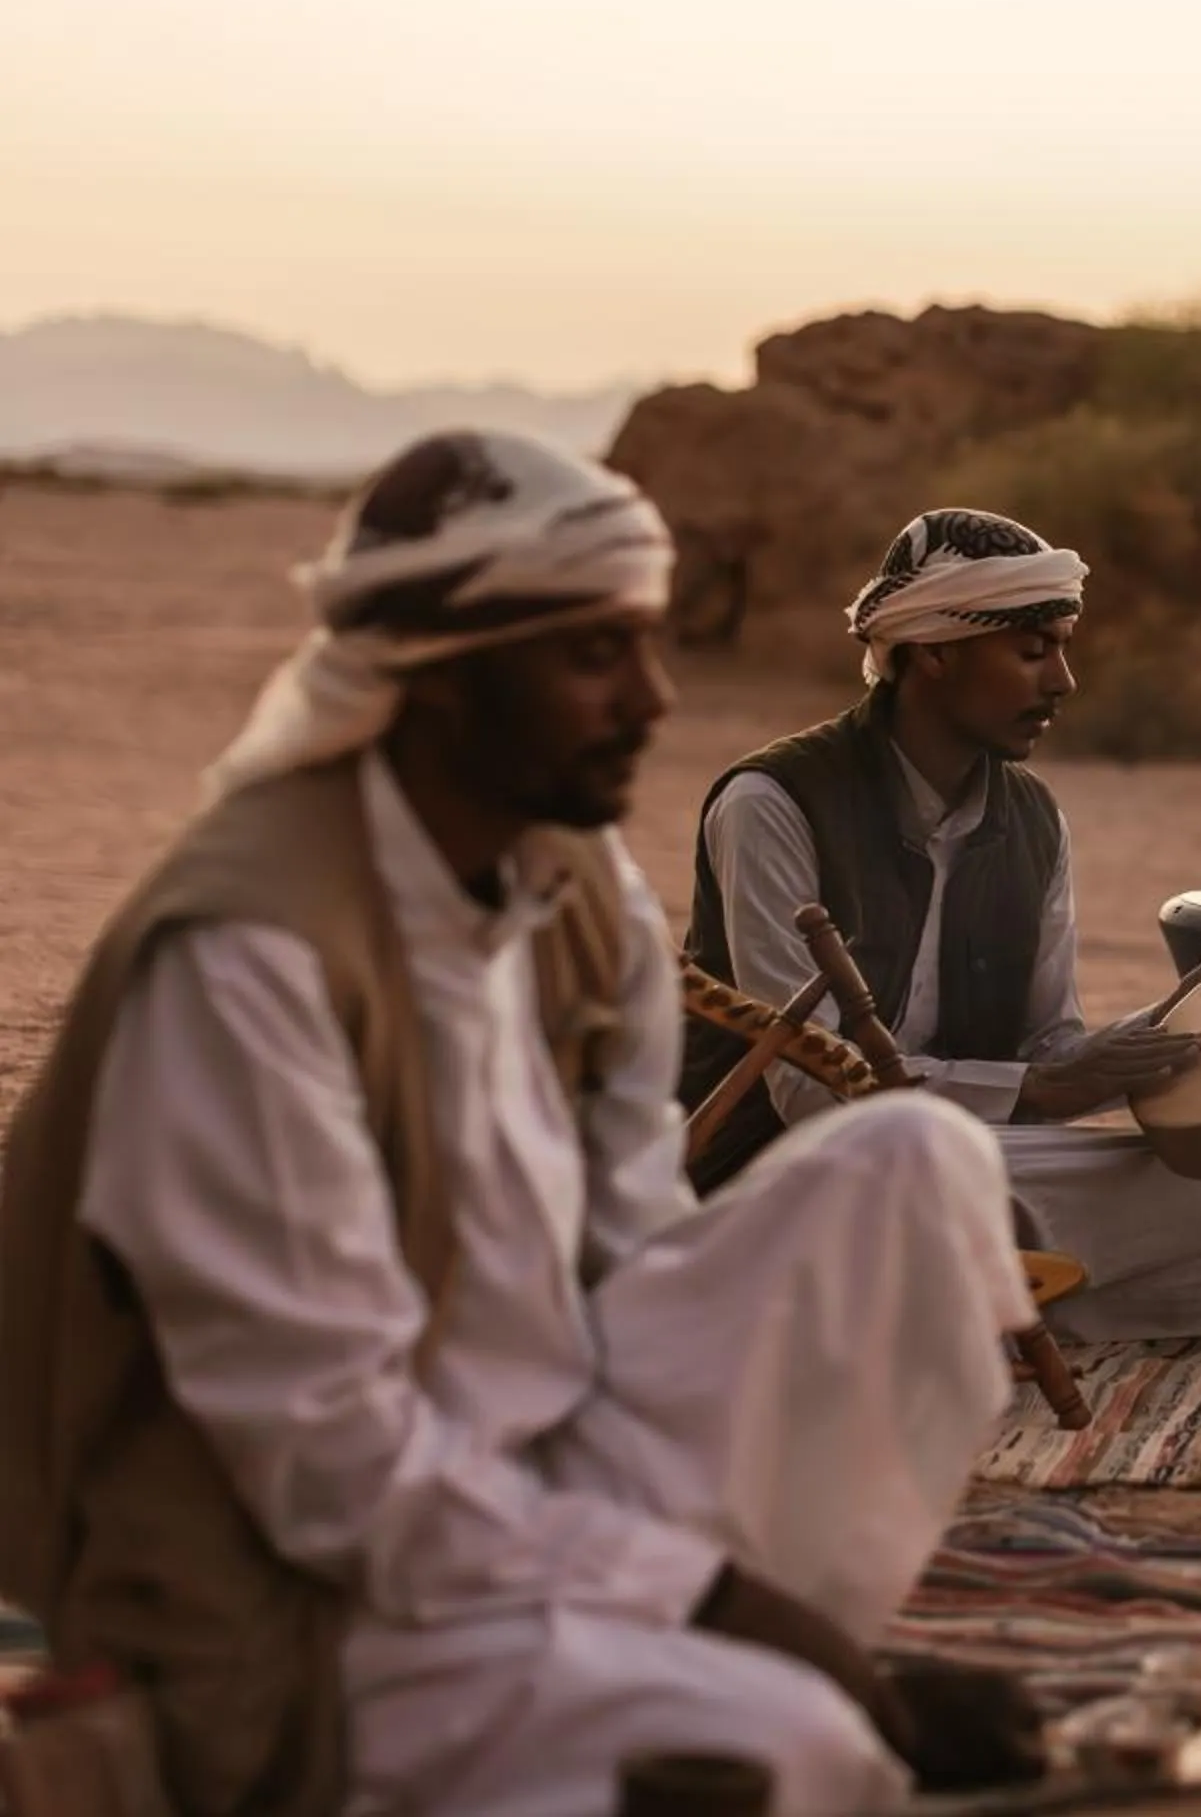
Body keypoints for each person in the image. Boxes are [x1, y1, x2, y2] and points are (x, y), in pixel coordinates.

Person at [0, 432, 1040, 1817]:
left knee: (921, 1162)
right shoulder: (248, 958)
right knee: (795, 1754)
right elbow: (331, 1469)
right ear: (433, 681)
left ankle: (700, 1651)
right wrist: (728, 1606)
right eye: (591, 659)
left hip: (538, 1466)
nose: (653, 702)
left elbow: (634, 1257)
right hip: (303, 1587)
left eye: (648, 648)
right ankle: (713, 1668)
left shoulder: (570, 883)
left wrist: (678, 1575)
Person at [681, 507, 1201, 1342]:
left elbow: (1046, 1047)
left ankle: (960, 1304)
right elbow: (811, 1093)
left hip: (959, 1162)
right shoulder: (773, 804)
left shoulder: (1033, 822)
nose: (1062, 680)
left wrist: (1167, 1037)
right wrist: (1037, 1089)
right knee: (936, 1196)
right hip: (784, 1170)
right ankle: (980, 1303)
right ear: (935, 651)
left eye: (1062, 648)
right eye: (1032, 652)